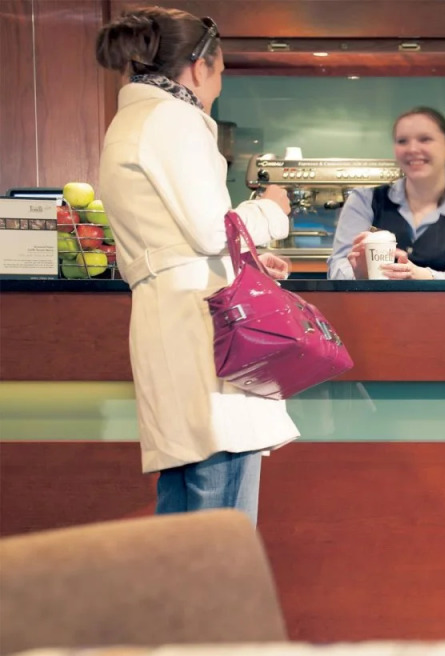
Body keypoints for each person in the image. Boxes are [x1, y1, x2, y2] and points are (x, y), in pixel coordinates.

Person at [95, 6, 298, 524]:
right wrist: (270, 209)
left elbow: (174, 236)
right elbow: (210, 230)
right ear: (199, 66)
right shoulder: (174, 118)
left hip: (170, 316)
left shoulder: (133, 120)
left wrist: (244, 255)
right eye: (221, 71)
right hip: (201, 326)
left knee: (185, 510)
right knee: (221, 512)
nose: (219, 86)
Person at [327, 107, 445, 280]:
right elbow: (338, 266)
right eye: (402, 141)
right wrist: (358, 274)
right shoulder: (364, 201)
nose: (412, 149)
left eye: (425, 139)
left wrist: (421, 275)